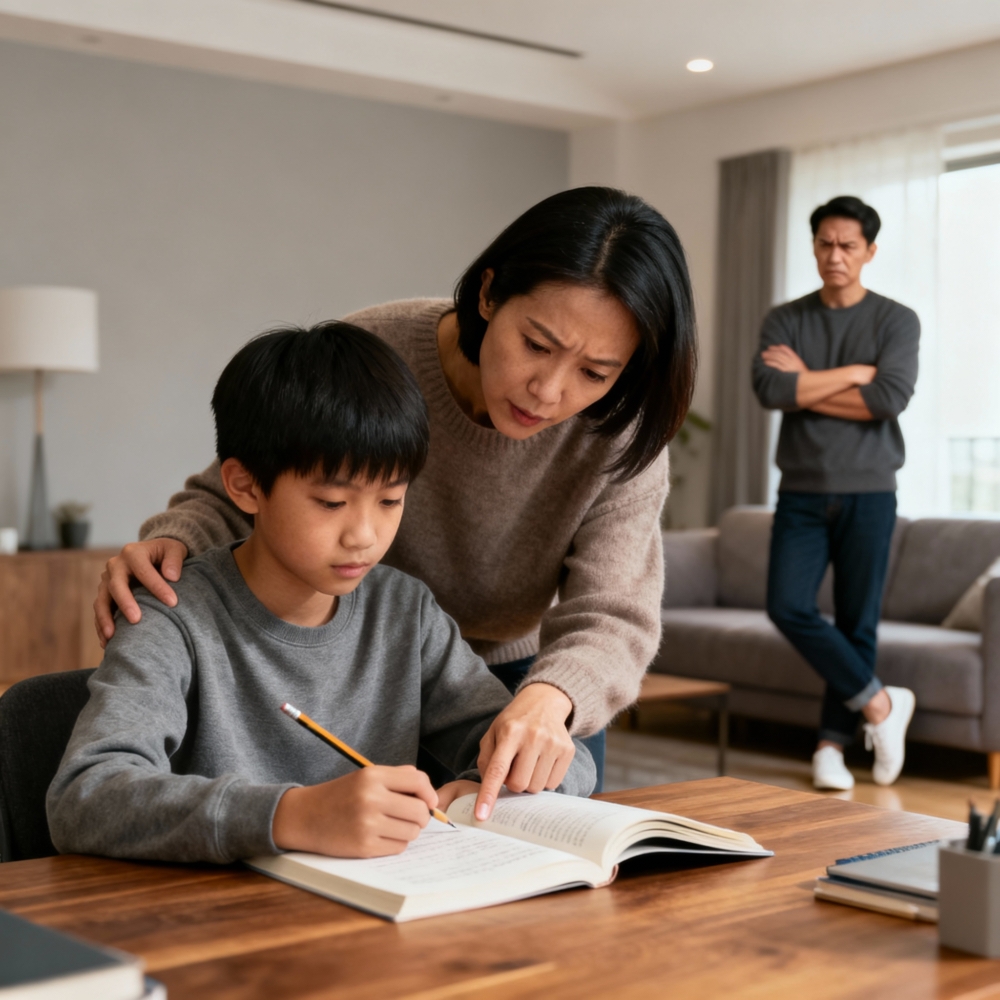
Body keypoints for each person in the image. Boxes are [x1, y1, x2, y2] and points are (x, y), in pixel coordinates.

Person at [92, 187, 698, 814]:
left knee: (525, 819)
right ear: (489, 294)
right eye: (536, 345)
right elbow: (254, 478)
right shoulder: (380, 353)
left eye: (595, 373)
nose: (547, 390)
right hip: (368, 652)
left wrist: (553, 698)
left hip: (515, 676)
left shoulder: (622, 432)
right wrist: (173, 547)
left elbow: (615, 612)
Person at [47, 322, 596, 863]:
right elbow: (84, 795)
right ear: (245, 485)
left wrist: (489, 784)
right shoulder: (172, 613)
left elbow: (566, 760)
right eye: (332, 503)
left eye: (390, 501)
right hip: (221, 912)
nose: (364, 535)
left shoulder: (404, 614)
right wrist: (292, 816)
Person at [752, 195, 920, 792]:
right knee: (787, 605)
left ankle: (831, 747)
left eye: (848, 245)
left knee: (856, 621)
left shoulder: (896, 320)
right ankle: (881, 704)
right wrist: (850, 374)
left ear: (869, 251)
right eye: (825, 243)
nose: (835, 255)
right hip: (801, 489)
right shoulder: (785, 318)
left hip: (870, 490)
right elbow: (771, 390)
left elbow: (889, 399)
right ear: (814, 246)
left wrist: (806, 383)